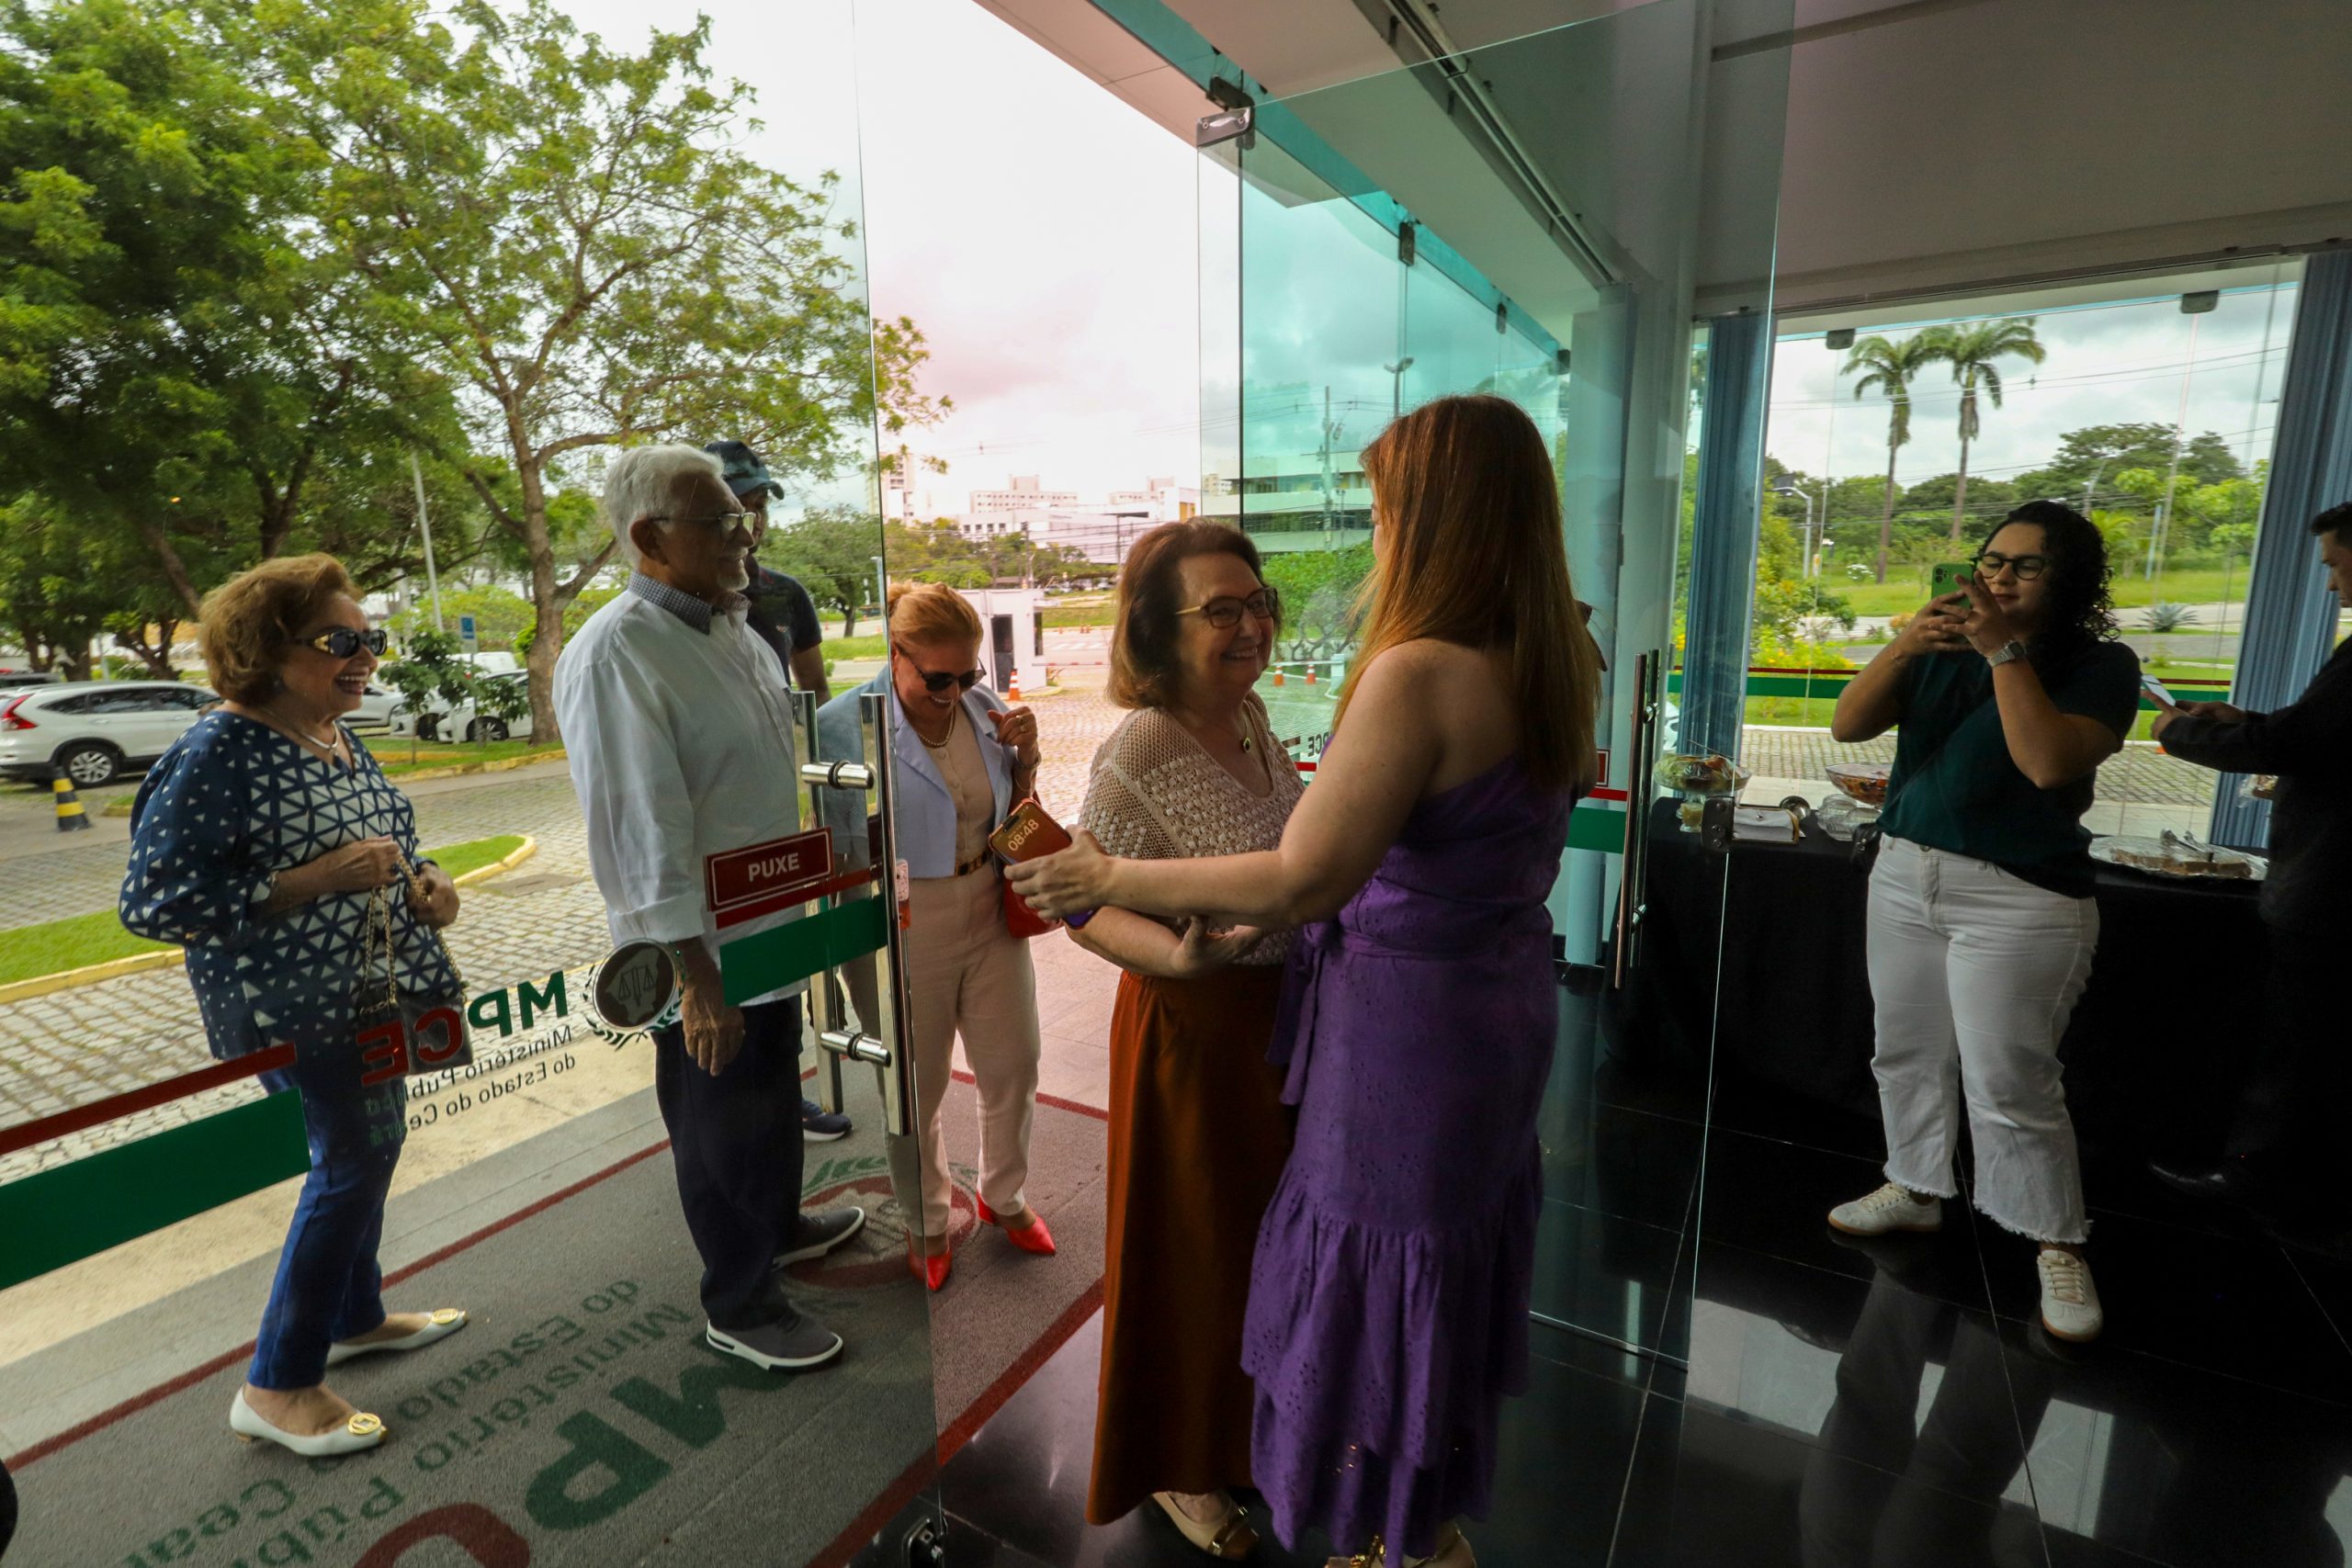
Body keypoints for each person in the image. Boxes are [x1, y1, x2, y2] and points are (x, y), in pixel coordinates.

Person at [1011, 394, 1603, 1568]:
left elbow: (1303, 876)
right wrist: (1127, 909)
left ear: (1430, 520)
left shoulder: (1406, 677)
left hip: (1399, 1036)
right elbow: (1102, 911)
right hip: (1465, 1012)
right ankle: (1395, 1512)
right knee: (1323, 1258)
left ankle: (1394, 1532)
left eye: (1384, 512)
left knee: (1374, 1271)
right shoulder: (1557, 655)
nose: (1251, 627)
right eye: (1219, 611)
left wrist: (1107, 871)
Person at [120, 555, 468, 1457]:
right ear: (267, 651)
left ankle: (354, 1315)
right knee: (352, 1160)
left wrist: (429, 881)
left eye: (371, 639)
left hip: (374, 991)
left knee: (370, 1149)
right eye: (341, 641)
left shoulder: (334, 734)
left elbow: (395, 836)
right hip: (291, 1010)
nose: (366, 658)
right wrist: (312, 881)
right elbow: (153, 903)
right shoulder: (218, 751)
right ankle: (276, 1383)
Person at [556, 444, 865, 1374]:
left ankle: (780, 1229)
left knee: (767, 1095)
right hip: (700, 951)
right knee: (716, 1120)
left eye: (745, 515)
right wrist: (695, 978)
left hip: (767, 923)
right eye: (722, 521)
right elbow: (640, 832)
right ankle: (741, 1300)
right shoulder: (617, 654)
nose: (746, 534)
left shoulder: (735, 630)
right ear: (650, 538)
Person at [1826, 500, 2142, 1345]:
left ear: (2067, 580)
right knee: (1905, 1050)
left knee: (2010, 1079)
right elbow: (1848, 724)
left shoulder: (2101, 663)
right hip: (1906, 872)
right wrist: (1905, 643)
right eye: (1991, 560)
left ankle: (2057, 1241)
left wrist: (2002, 650)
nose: (1998, 576)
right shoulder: (1938, 646)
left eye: (2025, 565)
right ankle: (1915, 1185)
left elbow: (2048, 762)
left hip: (2021, 896)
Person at [1072, 522, 1305, 1558]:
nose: (1250, 625)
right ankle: (1176, 1462)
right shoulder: (1142, 749)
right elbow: (1082, 903)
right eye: (1221, 610)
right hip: (1191, 1034)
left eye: (1258, 603)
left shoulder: (1250, 716)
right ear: (1156, 632)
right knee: (1192, 1252)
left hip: (1276, 1025)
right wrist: (1177, 958)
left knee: (1259, 1246)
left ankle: (1243, 1432)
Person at [819, 582, 1051, 1292]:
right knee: (915, 1086)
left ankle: (1002, 1194)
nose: (954, 692)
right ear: (896, 655)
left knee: (1014, 1062)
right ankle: (925, 1218)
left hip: (986, 899)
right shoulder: (843, 725)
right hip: (899, 920)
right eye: (937, 678)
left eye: (967, 674)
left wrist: (1028, 757)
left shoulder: (982, 706)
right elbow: (830, 850)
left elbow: (1018, 813)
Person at [2146, 501, 2352, 1217]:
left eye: (2336, 564)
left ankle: (2262, 1181)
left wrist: (2176, 731)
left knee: (2299, 1047)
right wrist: (2251, 720)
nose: (2332, 583)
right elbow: (2319, 734)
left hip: (2331, 890)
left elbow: (2291, 746)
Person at [703, 437, 849, 1145]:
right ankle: (734, 1114)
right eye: (740, 503)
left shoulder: (786, 593)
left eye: (759, 504)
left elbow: (814, 690)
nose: (752, 519)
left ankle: (787, 1099)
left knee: (788, 957)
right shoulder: (684, 609)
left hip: (785, 805)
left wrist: (824, 793)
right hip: (719, 819)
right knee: (731, 969)